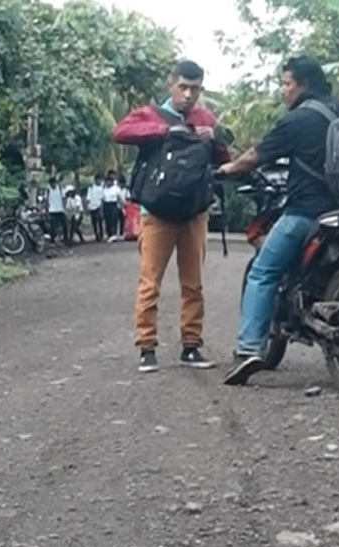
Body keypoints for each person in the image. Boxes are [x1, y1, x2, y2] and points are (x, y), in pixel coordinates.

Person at [217, 54, 339, 387]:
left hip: (308, 213)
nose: (283, 91)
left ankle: (247, 350)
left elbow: (255, 157)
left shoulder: (298, 120)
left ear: (303, 84)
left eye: (286, 83)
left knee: (264, 271)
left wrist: (228, 169)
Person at [113, 59, 228, 374]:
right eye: (184, 87)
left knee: (194, 284)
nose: (189, 95)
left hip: (195, 212)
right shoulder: (151, 114)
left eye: (195, 88)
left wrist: (213, 138)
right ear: (171, 84)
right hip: (157, 213)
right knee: (150, 282)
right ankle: (146, 347)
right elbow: (121, 131)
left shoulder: (205, 117)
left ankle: (191, 346)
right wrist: (165, 130)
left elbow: (223, 157)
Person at [103, 171, 125, 240]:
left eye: (109, 182)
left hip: (113, 205)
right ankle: (109, 234)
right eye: (106, 182)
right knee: (107, 221)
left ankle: (114, 234)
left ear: (112, 182)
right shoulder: (104, 189)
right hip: (106, 205)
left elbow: (121, 198)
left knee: (113, 220)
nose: (107, 183)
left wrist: (122, 206)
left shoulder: (116, 189)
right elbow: (102, 199)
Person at [46, 177, 67, 244]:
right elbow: (46, 201)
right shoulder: (48, 191)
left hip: (60, 210)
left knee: (64, 225)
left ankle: (65, 239)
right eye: (51, 183)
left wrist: (64, 207)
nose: (53, 185)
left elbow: (64, 199)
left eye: (54, 183)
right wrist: (46, 209)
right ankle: (52, 240)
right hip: (52, 210)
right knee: (52, 226)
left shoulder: (60, 189)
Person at [87, 174, 106, 242]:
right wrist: (88, 206)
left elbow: (102, 198)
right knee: (94, 222)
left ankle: (101, 234)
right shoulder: (91, 188)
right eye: (98, 180)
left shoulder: (101, 188)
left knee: (100, 221)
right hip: (92, 207)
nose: (99, 181)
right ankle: (96, 234)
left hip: (98, 206)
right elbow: (88, 198)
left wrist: (101, 207)